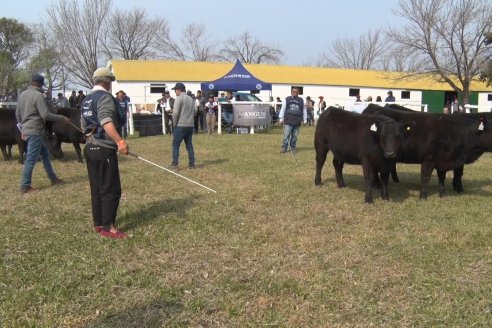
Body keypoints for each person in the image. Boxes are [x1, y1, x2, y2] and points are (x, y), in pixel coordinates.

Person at [81, 67, 129, 239]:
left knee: (97, 187)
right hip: (103, 148)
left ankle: (99, 223)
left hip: (90, 148)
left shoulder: (87, 99)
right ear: (107, 82)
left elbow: (83, 124)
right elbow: (106, 121)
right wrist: (120, 141)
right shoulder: (105, 98)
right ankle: (109, 228)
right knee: (111, 188)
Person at [15, 74, 69, 193]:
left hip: (28, 130)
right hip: (35, 131)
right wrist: (62, 118)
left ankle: (53, 179)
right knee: (31, 159)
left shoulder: (22, 94)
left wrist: (23, 129)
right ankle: (25, 185)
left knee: (45, 156)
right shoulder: (39, 96)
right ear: (41, 84)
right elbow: (46, 114)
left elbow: (17, 115)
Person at [170, 82, 195, 170]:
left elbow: (175, 113)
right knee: (189, 145)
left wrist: (174, 123)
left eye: (175, 90)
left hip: (181, 125)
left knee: (175, 144)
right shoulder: (191, 99)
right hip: (190, 125)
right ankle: (192, 164)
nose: (174, 92)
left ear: (179, 90)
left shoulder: (179, 98)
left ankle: (175, 164)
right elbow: (194, 111)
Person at [279, 87, 307, 153]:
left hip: (297, 121)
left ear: (298, 93)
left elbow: (304, 110)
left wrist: (305, 120)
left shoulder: (301, 100)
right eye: (292, 91)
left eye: (295, 91)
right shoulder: (287, 99)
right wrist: (281, 118)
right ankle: (284, 148)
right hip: (288, 120)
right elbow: (283, 109)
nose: (293, 92)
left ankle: (293, 147)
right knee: (287, 135)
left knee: (295, 136)